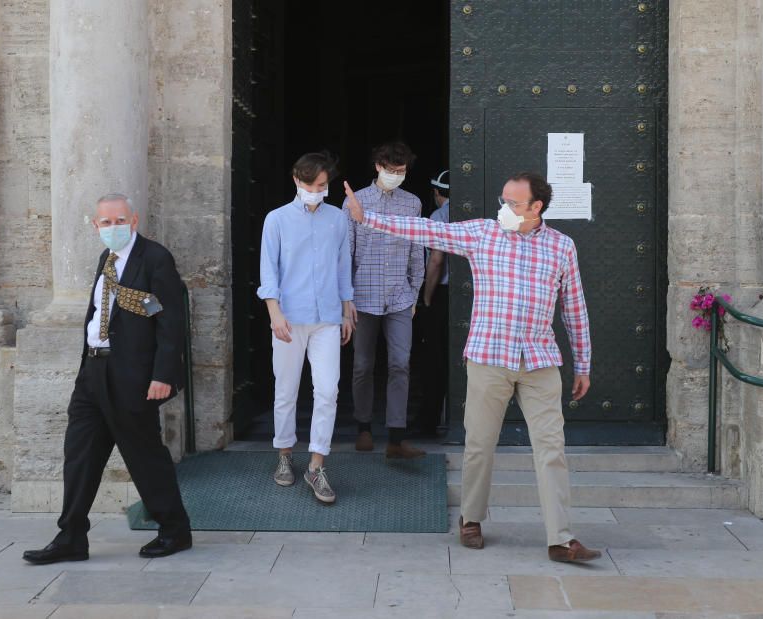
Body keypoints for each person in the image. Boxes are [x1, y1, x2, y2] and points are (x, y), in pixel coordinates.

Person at [343, 172, 600, 563]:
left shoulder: (562, 247)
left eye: (513, 203)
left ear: (537, 207)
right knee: (479, 445)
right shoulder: (483, 234)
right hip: (488, 358)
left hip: (540, 361)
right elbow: (423, 230)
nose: (504, 209)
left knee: (552, 450)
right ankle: (471, 518)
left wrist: (583, 363)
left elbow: (574, 308)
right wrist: (368, 218)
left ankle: (561, 538)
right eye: (503, 200)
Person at [23, 193, 191, 564]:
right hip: (93, 372)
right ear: (95, 225)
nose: (112, 228)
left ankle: (174, 530)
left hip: (131, 374)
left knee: (144, 455)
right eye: (105, 222)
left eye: (119, 221)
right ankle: (71, 537)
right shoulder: (107, 259)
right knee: (80, 453)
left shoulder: (154, 258)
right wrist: (85, 367)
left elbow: (168, 318)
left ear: (133, 220)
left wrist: (162, 374)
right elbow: (104, 312)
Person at [257, 152, 355, 505]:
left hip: (327, 317)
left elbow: (344, 264)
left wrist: (347, 306)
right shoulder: (277, 220)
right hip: (288, 318)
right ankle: (284, 454)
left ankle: (317, 464)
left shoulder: (337, 219)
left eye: (324, 186)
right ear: (298, 181)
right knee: (286, 389)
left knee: (328, 390)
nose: (320, 191)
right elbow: (269, 268)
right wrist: (274, 311)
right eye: (315, 185)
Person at [343, 141, 427, 459]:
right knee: (363, 365)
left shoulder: (413, 203)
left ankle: (396, 437)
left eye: (401, 172)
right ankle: (363, 427)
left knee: (400, 364)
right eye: (391, 171)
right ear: (378, 166)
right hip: (362, 297)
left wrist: (415, 292)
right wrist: (345, 300)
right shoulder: (355, 202)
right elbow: (345, 254)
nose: (396, 176)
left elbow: (417, 251)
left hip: (400, 296)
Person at [418, 169, 451, 436]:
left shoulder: (438, 216)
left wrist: (427, 297)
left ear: (437, 192)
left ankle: (428, 421)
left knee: (434, 359)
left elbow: (436, 261)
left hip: (442, 294)